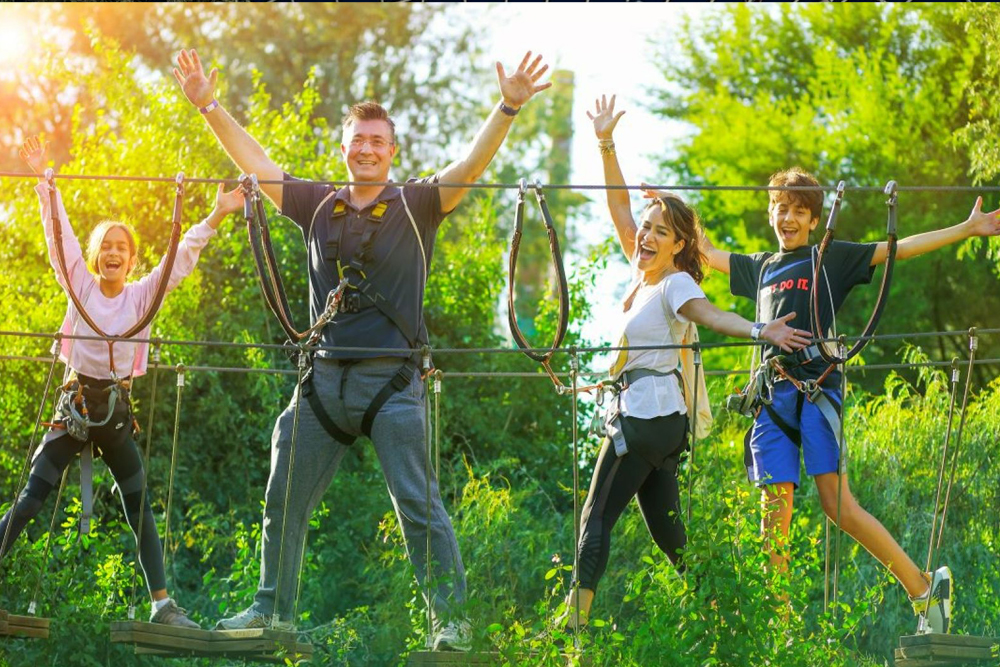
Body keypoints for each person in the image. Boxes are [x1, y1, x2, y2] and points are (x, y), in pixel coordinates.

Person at [171, 48, 551, 650]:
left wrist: (507, 106)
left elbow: (472, 166)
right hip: (322, 384)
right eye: (358, 140)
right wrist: (208, 105)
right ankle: (273, 613)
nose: (367, 149)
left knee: (417, 506)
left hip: (392, 384)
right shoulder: (315, 203)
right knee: (282, 499)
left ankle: (450, 623)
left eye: (378, 141)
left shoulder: (419, 204)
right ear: (343, 146)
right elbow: (257, 161)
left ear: (392, 152)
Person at [699, 165, 1000, 633]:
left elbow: (897, 248)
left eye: (800, 211)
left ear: (816, 221)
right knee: (771, 512)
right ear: (770, 213)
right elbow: (704, 251)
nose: (790, 218)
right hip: (773, 397)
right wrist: (669, 210)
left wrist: (967, 228)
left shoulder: (829, 257)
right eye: (782, 209)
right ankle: (776, 628)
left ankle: (922, 588)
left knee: (837, 506)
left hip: (818, 389)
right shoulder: (759, 267)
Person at [559, 96, 812, 629]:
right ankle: (726, 623)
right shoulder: (643, 278)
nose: (645, 236)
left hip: (646, 418)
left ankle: (571, 629)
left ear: (679, 245)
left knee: (595, 515)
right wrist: (606, 144)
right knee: (673, 542)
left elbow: (708, 312)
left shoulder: (674, 282)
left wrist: (759, 328)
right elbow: (618, 209)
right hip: (661, 425)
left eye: (659, 231)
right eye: (645, 228)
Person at [0, 136, 240, 628]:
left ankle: (161, 605)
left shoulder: (142, 296)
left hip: (113, 415)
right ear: (94, 256)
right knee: (31, 497)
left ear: (132, 260)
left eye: (122, 248)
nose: (113, 253)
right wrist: (47, 182)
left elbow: (181, 254)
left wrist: (215, 216)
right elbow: (59, 237)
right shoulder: (79, 285)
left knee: (139, 505)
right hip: (74, 410)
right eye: (106, 246)